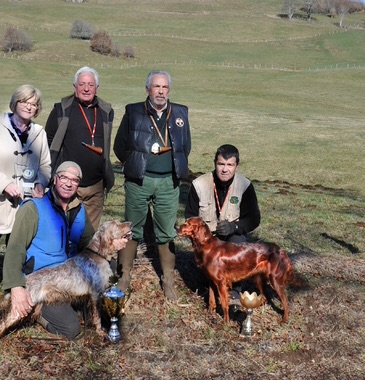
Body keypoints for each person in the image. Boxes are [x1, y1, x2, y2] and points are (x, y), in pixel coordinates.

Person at [0, 85, 52, 318]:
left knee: (21, 254)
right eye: (25, 101)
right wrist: (4, 184)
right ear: (15, 102)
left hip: (25, 207)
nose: (29, 106)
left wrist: (41, 184)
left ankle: (16, 298)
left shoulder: (39, 133)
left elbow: (45, 165)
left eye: (34, 104)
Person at [113, 69, 191, 301]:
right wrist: (136, 164)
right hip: (140, 180)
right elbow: (120, 146)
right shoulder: (134, 111)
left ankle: (167, 279)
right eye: (156, 86)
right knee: (132, 228)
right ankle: (124, 275)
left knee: (166, 231)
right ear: (147, 89)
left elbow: (185, 146)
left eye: (164, 87)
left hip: (168, 181)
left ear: (169, 90)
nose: (160, 91)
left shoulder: (180, 113)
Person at [2, 161, 94, 340]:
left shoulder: (80, 210)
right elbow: (15, 249)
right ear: (54, 179)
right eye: (64, 178)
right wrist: (16, 287)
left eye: (74, 180)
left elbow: (89, 245)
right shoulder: (33, 208)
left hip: (68, 278)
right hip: (42, 284)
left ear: (78, 185)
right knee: (71, 329)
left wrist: (110, 245)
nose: (68, 183)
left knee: (110, 268)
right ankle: (38, 311)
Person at [44, 66, 114, 230]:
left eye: (90, 84)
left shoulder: (106, 111)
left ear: (97, 88)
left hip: (96, 185)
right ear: (74, 87)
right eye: (82, 84)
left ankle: (85, 256)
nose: (86, 88)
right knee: (63, 230)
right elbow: (48, 141)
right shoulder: (61, 110)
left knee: (89, 233)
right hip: (67, 184)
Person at [184, 144, 260, 243]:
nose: (225, 170)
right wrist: (201, 234)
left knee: (237, 242)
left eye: (230, 165)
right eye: (221, 164)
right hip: (205, 238)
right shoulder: (198, 184)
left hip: (231, 236)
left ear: (237, 166)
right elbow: (190, 217)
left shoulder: (245, 186)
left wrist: (234, 227)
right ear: (215, 163)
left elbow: (253, 218)